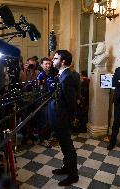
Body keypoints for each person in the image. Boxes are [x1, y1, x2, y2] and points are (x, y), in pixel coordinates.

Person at [49, 50, 79, 186]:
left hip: (64, 117)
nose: (52, 60)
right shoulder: (61, 74)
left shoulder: (68, 77)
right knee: (64, 145)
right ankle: (66, 167)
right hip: (59, 116)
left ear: (63, 62)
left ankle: (73, 175)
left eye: (55, 58)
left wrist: (72, 118)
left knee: (68, 147)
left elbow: (71, 102)